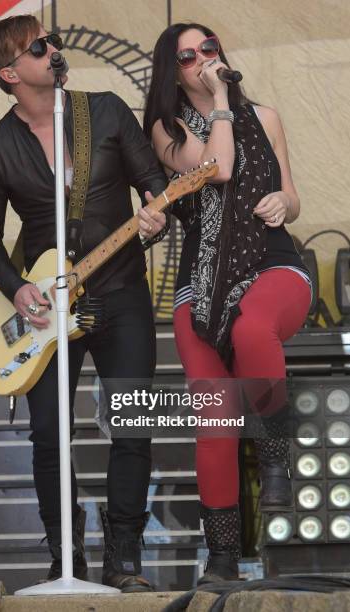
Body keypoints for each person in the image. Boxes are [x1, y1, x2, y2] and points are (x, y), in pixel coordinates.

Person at [0, 14, 168, 591]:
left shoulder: (103, 110)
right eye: (39, 46)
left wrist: (155, 212)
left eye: (52, 40)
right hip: (47, 308)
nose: (53, 48)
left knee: (133, 425)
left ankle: (124, 560)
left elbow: (152, 182)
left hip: (121, 291)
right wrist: (17, 287)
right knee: (50, 435)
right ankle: (65, 558)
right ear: (11, 73)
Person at [144, 23, 311, 583]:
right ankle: (220, 561)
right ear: (173, 70)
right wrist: (219, 100)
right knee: (214, 418)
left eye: (208, 50)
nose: (200, 60)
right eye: (187, 56)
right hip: (201, 280)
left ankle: (272, 456)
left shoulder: (265, 117)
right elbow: (219, 167)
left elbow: (291, 193)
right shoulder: (164, 132)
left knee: (251, 327)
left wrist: (282, 205)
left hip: (273, 265)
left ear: (221, 53)